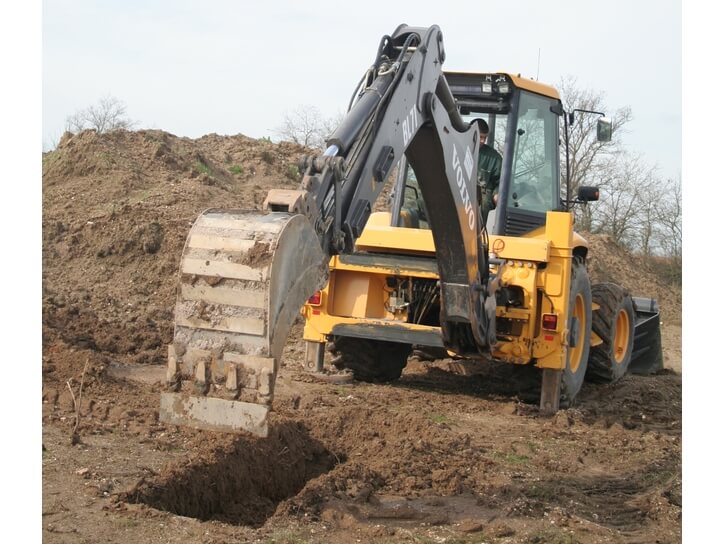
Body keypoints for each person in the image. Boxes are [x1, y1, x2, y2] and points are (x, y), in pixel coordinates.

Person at [472, 118, 502, 214]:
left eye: (484, 138)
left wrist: (497, 194)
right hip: (458, 188)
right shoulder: (457, 148)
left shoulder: (494, 158)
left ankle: (479, 228)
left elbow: (500, 182)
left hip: (482, 193)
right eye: (480, 137)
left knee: (483, 201)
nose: (482, 141)